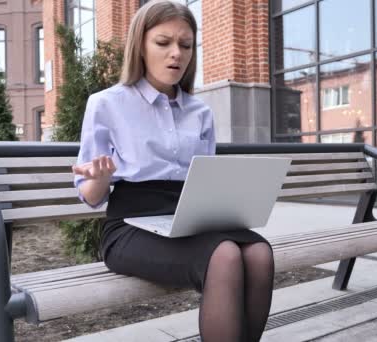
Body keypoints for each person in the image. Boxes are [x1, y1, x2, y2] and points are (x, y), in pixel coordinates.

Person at [71, 1, 274, 341]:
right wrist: (100, 179)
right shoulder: (106, 104)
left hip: (186, 221)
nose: (176, 54)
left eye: (185, 45)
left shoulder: (200, 112)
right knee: (224, 256)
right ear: (140, 46)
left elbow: (205, 181)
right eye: (163, 43)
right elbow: (91, 198)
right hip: (129, 227)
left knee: (259, 253)